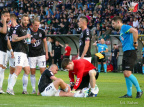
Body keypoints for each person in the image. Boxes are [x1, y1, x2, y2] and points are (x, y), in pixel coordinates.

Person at [112, 16, 143, 98]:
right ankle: (129, 94)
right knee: (125, 74)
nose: (112, 25)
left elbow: (135, 31)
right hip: (126, 52)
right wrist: (118, 45)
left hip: (130, 52)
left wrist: (135, 42)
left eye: (113, 23)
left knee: (127, 73)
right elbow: (125, 42)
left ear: (118, 22)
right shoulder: (121, 31)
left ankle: (139, 90)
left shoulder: (124, 27)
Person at [7, 14, 31, 95]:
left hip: (24, 52)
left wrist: (30, 41)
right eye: (24, 20)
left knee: (27, 70)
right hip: (19, 51)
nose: (26, 21)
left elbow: (25, 40)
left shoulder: (26, 29)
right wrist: (24, 37)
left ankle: (24, 90)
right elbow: (14, 39)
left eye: (27, 20)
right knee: (18, 69)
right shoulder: (18, 28)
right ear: (21, 20)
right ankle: (10, 88)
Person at [28, 18, 49, 94]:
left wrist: (46, 53)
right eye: (35, 25)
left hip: (41, 54)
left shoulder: (42, 32)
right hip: (32, 55)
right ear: (32, 25)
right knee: (32, 72)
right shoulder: (28, 32)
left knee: (42, 72)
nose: (37, 26)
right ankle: (33, 89)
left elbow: (45, 43)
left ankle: (40, 88)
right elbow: (26, 42)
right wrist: (30, 42)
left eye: (38, 25)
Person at [0, 11, 14, 94]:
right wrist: (4, 21)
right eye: (6, 16)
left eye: (8, 16)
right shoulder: (3, 25)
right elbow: (4, 31)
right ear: (2, 16)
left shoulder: (7, 26)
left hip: (4, 50)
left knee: (2, 70)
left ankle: (0, 88)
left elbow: (7, 39)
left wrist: (11, 50)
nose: (8, 17)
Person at [7, 13, 20, 90]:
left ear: (12, 19)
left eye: (9, 20)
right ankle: (6, 87)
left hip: (15, 51)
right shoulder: (9, 28)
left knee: (13, 69)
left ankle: (9, 87)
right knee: (4, 68)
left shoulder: (18, 28)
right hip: (7, 50)